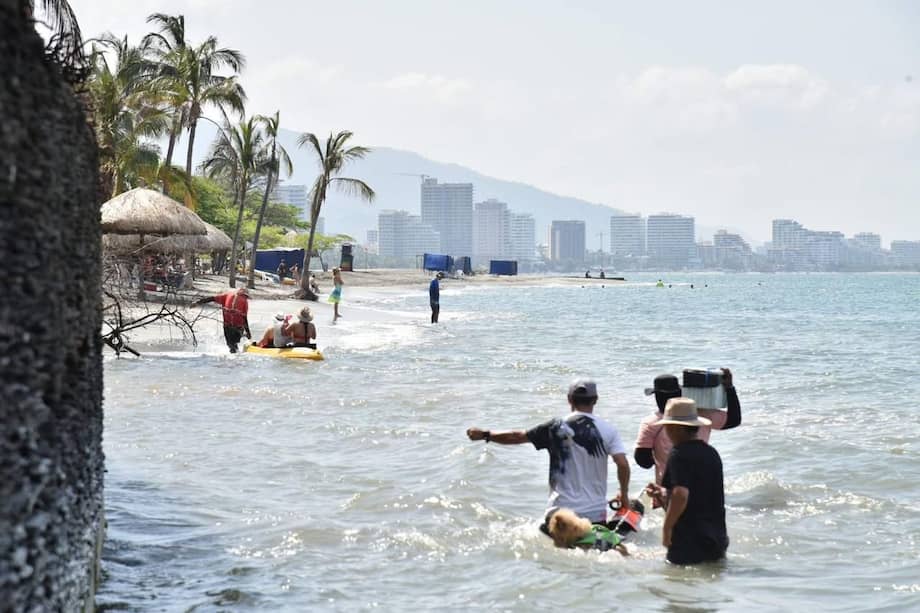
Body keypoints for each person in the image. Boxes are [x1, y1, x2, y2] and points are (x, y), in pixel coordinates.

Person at [466, 379, 630, 526]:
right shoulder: (609, 430)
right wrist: (623, 495)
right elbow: (622, 464)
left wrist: (486, 434)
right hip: (594, 515)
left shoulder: (555, 427)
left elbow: (517, 437)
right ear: (595, 400)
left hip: (560, 514)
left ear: (569, 399)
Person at [645, 398, 729, 565]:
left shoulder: (678, 455)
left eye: (667, 426)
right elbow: (701, 494)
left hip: (689, 542)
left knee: (677, 586)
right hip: (716, 539)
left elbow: (681, 495)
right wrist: (662, 493)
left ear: (675, 428)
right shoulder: (711, 453)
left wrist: (667, 528)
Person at [634, 369, 741, 485]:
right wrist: (729, 388)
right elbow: (734, 420)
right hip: (701, 483)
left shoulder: (651, 423)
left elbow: (644, 461)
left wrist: (660, 458)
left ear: (657, 396)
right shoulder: (700, 416)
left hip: (669, 489)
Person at [192, 287, 251, 353]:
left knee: (231, 345)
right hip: (238, 327)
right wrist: (248, 332)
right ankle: (236, 358)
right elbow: (244, 317)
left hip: (227, 326)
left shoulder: (226, 296)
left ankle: (233, 356)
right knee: (234, 344)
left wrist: (198, 302)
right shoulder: (244, 301)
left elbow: (212, 298)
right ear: (246, 295)